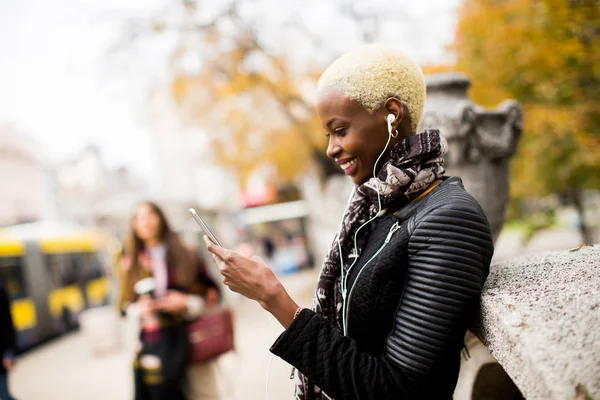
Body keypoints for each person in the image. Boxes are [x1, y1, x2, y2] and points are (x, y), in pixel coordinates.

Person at [203, 44, 494, 399]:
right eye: (328, 135)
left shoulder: (448, 219)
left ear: (391, 115)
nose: (331, 148)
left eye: (340, 130)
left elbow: (398, 389)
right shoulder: (375, 209)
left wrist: (274, 298)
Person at [119, 202, 221, 400]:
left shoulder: (186, 253)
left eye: (151, 215)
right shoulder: (129, 263)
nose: (146, 221)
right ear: (133, 225)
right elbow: (123, 307)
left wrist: (185, 302)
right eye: (139, 217)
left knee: (202, 394)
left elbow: (213, 293)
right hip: (153, 343)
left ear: (161, 219)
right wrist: (139, 309)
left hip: (190, 337)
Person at [0, 283, 16, 400]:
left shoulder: (0, 291)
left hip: (1, 355)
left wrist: (9, 352)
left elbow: (7, 324)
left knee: (4, 396)